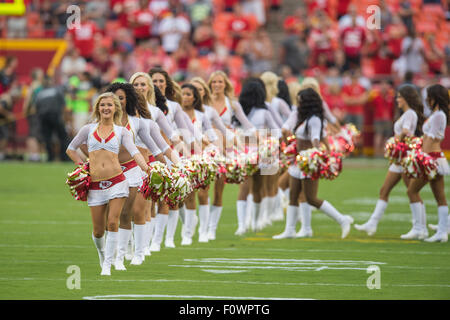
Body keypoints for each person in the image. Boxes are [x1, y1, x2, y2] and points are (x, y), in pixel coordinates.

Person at [66, 92, 150, 276]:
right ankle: (103, 256)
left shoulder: (122, 131)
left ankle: (109, 265)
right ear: (98, 108)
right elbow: (71, 149)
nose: (106, 108)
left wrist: (147, 168)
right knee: (98, 231)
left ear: (115, 109)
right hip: (95, 185)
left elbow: (135, 152)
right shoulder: (88, 129)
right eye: (102, 105)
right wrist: (83, 168)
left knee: (113, 222)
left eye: (109, 105)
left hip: (117, 182)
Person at [273, 88, 353, 239]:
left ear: (308, 102)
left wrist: (317, 157)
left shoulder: (315, 119)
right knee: (293, 195)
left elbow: (316, 139)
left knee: (311, 198)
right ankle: (290, 230)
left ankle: (342, 220)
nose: (298, 103)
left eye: (300, 101)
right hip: (298, 160)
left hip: (309, 161)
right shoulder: (301, 116)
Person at [103, 82, 166, 268]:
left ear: (127, 100)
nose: (116, 102)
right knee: (109, 217)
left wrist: (170, 168)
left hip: (133, 169)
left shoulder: (137, 123)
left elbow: (156, 148)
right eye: (113, 98)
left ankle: (124, 256)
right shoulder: (99, 123)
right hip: (109, 173)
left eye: (121, 98)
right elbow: (84, 144)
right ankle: (112, 253)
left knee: (128, 213)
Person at [354, 85, 425, 237]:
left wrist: (393, 141)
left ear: (406, 98)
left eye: (399, 97)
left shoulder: (410, 113)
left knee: (412, 192)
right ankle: (372, 224)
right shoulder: (406, 113)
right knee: (384, 190)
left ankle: (420, 227)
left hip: (405, 157)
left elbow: (406, 132)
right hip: (399, 158)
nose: (397, 99)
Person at [207, 70, 255, 240]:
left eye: (220, 82)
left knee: (219, 190)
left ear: (225, 84)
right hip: (207, 148)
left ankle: (211, 229)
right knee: (203, 191)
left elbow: (247, 124)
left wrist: (261, 138)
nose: (217, 85)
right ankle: (203, 227)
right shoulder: (204, 102)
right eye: (214, 82)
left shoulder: (233, 104)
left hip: (225, 149)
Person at [405, 84, 449, 242]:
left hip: (431, 159)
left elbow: (431, 139)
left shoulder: (439, 115)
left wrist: (421, 158)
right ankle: (442, 232)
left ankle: (420, 229)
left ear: (434, 97)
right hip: (434, 158)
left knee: (412, 190)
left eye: (428, 96)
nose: (426, 99)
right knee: (440, 197)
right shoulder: (438, 114)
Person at [237, 78, 281, 234]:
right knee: (254, 188)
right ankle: (246, 223)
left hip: (261, 153)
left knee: (255, 188)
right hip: (246, 154)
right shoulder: (238, 111)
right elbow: (278, 132)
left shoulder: (264, 111)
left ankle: (255, 221)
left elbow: (277, 131)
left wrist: (268, 145)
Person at [179, 83, 218, 244]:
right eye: (183, 94)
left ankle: (203, 231)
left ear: (195, 98)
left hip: (200, 159)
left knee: (203, 195)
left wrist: (211, 153)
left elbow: (212, 138)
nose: (185, 97)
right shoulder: (176, 114)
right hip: (181, 158)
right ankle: (187, 233)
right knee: (188, 196)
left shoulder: (201, 116)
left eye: (189, 94)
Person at [34, 75, 70, 162]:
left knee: (47, 138)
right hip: (55, 116)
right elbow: (63, 105)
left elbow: (36, 107)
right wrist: (65, 118)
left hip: (44, 117)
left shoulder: (40, 93)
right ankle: (64, 157)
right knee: (63, 136)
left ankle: (50, 157)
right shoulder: (56, 90)